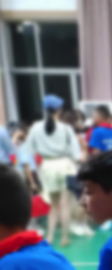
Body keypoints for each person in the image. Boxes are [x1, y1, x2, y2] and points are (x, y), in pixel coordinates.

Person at [20, 94, 82, 246]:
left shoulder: (35, 128)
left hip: (47, 166)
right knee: (65, 204)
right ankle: (65, 237)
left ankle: (49, 236)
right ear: (59, 110)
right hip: (65, 165)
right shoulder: (66, 128)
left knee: (53, 205)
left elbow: (29, 150)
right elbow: (76, 154)